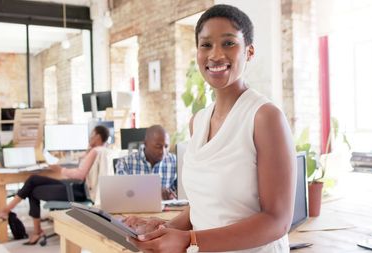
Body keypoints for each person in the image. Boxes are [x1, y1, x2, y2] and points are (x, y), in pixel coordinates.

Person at [124, 4, 297, 253]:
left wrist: (188, 240)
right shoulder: (199, 121)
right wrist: (164, 228)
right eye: (206, 45)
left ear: (249, 52)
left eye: (228, 43)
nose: (215, 54)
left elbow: (277, 221)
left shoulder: (265, 117)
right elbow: (206, 205)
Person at [0, 125, 110, 245]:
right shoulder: (101, 150)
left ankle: (30, 227)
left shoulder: (95, 151)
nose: (89, 137)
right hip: (75, 187)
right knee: (33, 179)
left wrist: (59, 170)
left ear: (98, 136)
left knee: (32, 190)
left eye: (91, 135)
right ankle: (8, 212)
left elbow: (80, 175)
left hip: (78, 191)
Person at [115, 124, 177, 200]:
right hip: (135, 209)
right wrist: (155, 192)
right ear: (145, 143)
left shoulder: (174, 161)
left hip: (167, 211)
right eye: (158, 146)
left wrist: (171, 195)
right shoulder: (125, 163)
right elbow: (120, 193)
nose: (163, 151)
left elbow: (182, 193)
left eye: (166, 146)